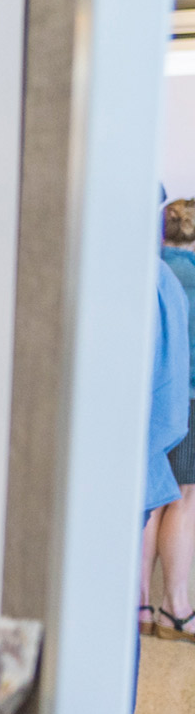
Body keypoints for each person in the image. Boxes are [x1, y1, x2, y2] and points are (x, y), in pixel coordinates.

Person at [144, 198, 195, 643]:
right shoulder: (187, 278)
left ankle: (139, 602)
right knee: (182, 499)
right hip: (187, 402)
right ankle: (177, 608)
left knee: (150, 497)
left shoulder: (149, 271)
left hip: (148, 402)